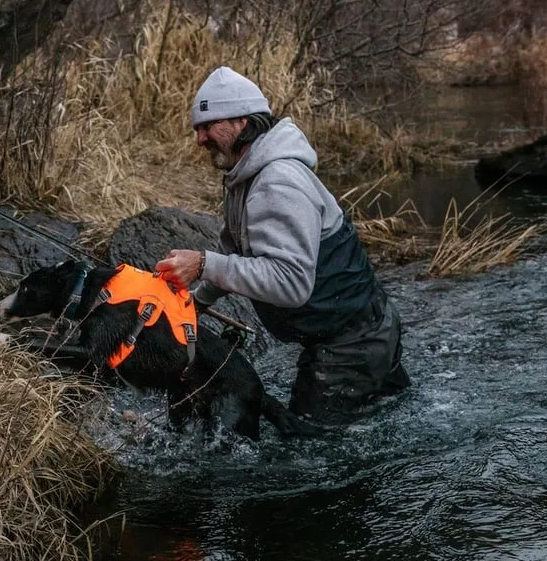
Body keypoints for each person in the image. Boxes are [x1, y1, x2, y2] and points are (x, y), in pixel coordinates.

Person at [154, 66, 411, 422]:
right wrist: (197, 302)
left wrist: (201, 264)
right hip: (356, 331)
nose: (199, 139)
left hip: (353, 345)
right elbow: (236, 254)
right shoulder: (243, 177)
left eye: (207, 126)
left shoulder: (278, 182)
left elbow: (291, 284)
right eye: (198, 128)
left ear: (241, 122)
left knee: (310, 455)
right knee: (389, 420)